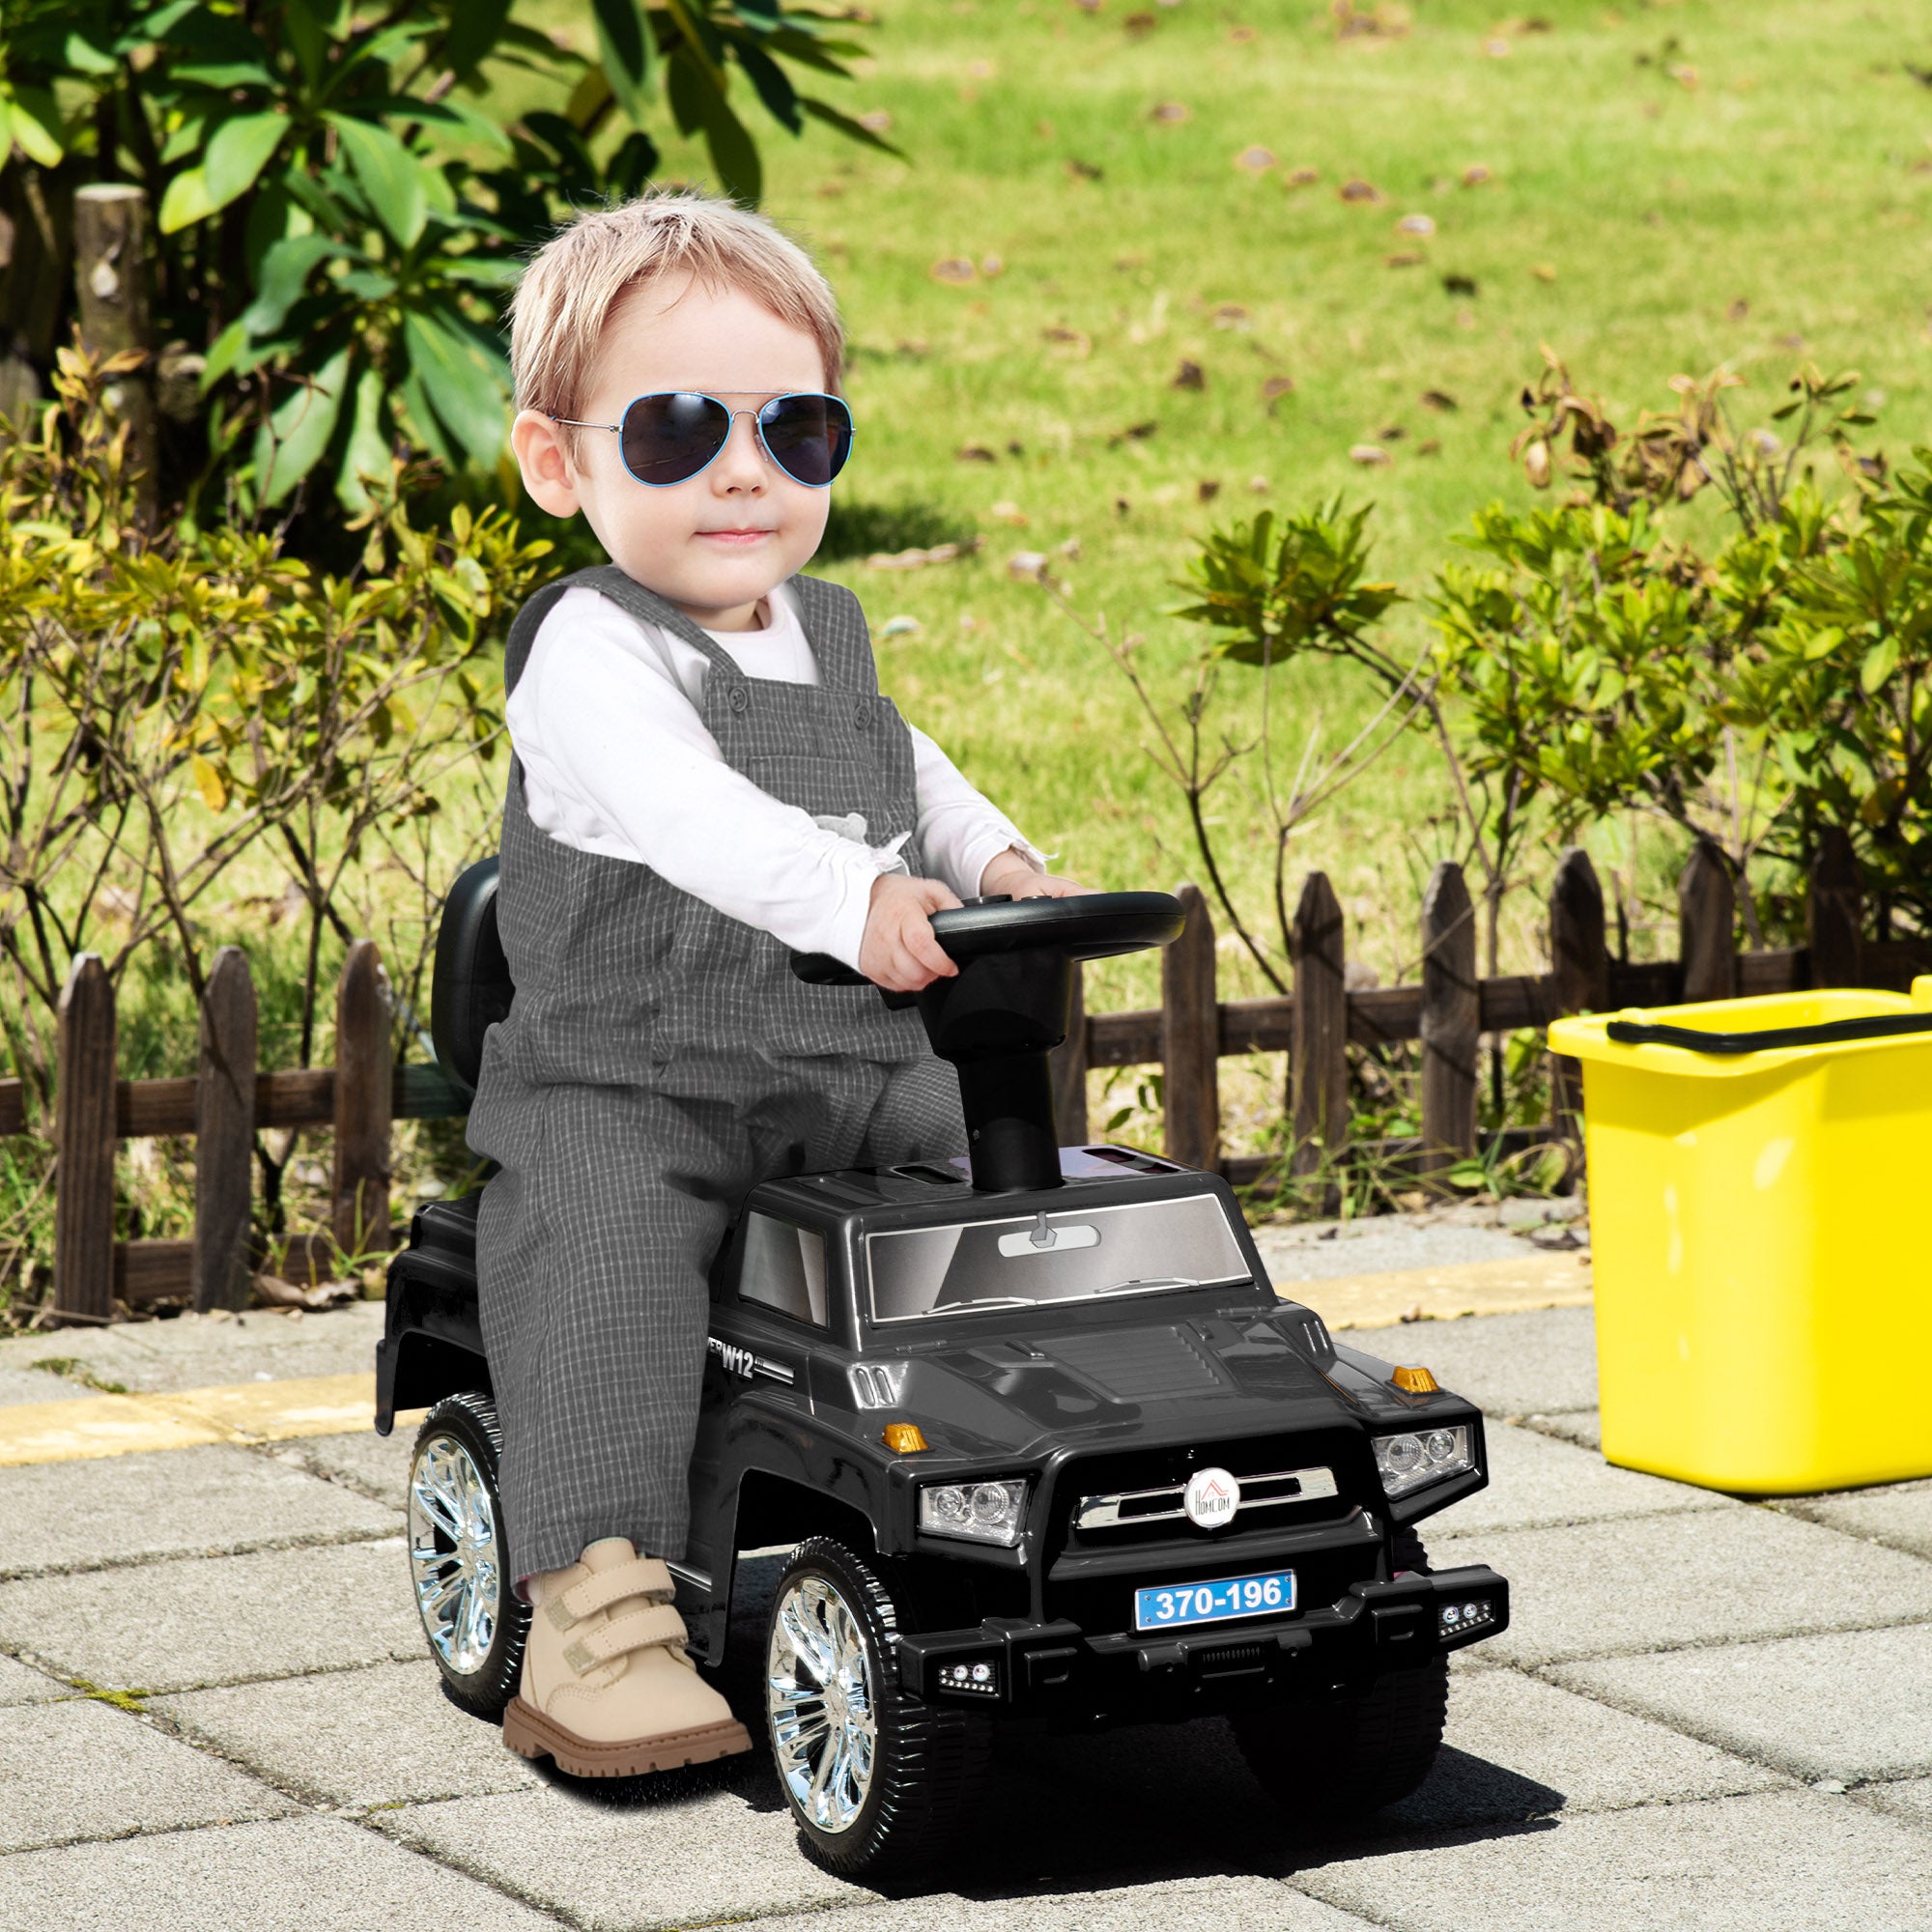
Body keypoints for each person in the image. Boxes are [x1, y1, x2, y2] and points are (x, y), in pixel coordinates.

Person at [468, 189, 1085, 1777]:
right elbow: (693, 818)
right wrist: (860, 897)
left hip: (843, 1062)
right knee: (601, 1249)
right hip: (633, 1076)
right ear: (562, 463)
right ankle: (596, 1606)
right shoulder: (592, 654)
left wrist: (1000, 866)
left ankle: (1046, 1469)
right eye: (676, 430)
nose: (744, 470)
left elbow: (912, 768)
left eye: (795, 429)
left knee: (1009, 1167)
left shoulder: (824, 628)